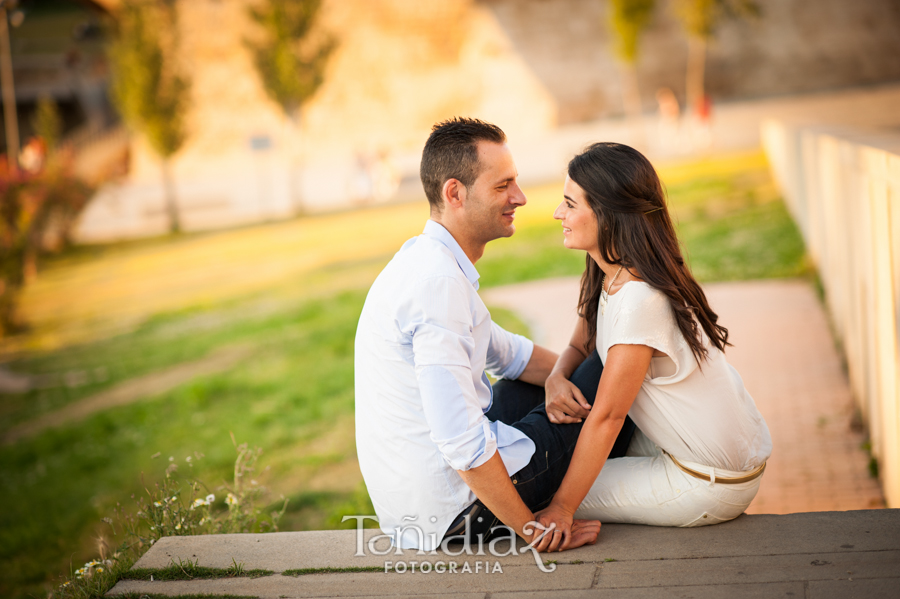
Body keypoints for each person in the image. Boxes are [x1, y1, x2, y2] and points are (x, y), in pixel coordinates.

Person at [354, 118, 635, 552]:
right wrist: (533, 529)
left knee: (546, 383)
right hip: (455, 512)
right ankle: (661, 478)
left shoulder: (428, 261)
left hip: (419, 506)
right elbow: (460, 441)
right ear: (455, 194)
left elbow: (510, 355)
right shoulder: (437, 285)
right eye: (503, 186)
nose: (519, 198)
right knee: (613, 368)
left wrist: (560, 377)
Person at [535, 142, 772, 551]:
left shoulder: (639, 301)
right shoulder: (612, 270)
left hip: (707, 479)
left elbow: (608, 418)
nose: (559, 214)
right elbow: (580, 343)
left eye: (570, 204)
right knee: (563, 459)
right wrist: (555, 377)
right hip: (699, 448)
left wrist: (560, 509)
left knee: (540, 492)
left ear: (607, 214)